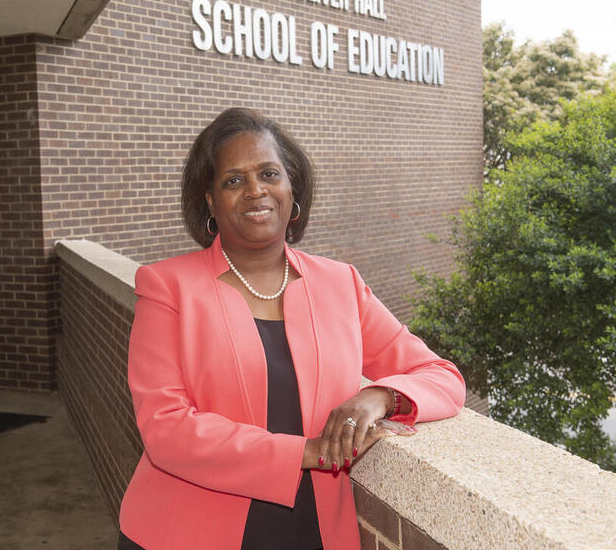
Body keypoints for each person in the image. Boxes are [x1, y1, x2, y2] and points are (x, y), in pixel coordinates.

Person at [118, 108, 465, 550]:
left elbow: (442, 377)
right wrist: (309, 452)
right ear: (209, 200)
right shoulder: (167, 287)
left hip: (314, 531)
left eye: (268, 173)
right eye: (232, 180)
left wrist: (379, 397)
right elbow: (166, 429)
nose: (255, 190)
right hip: (186, 531)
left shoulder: (341, 284)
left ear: (291, 187)